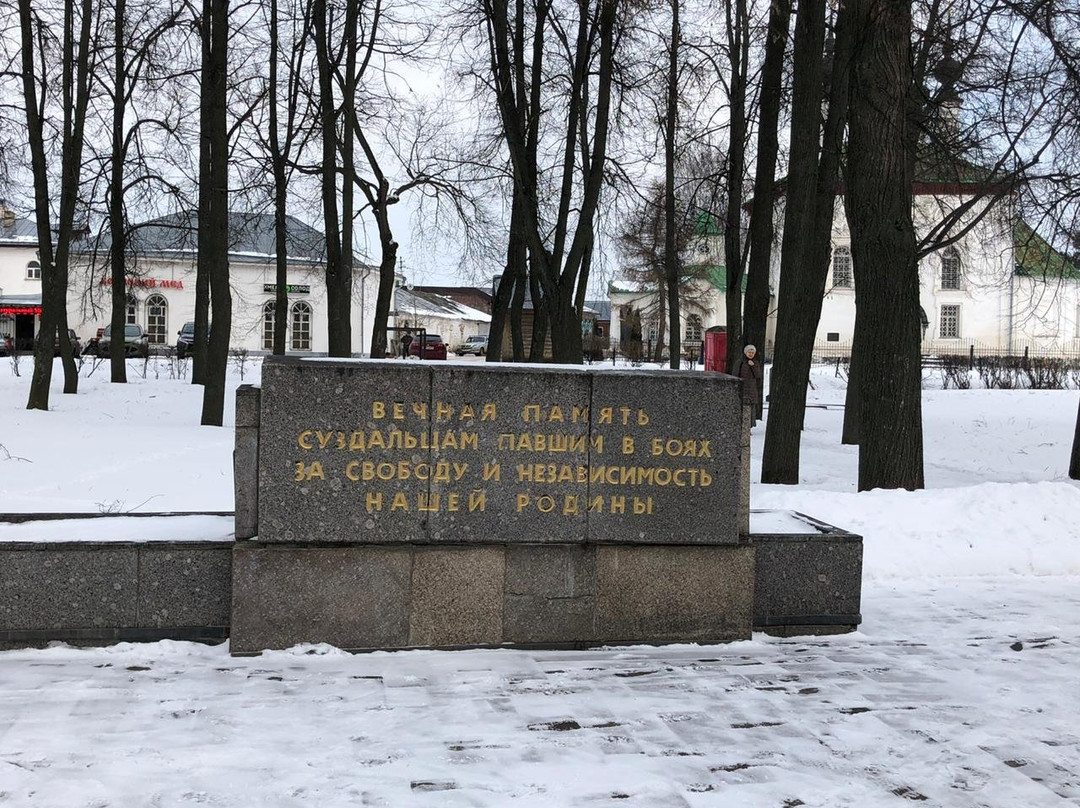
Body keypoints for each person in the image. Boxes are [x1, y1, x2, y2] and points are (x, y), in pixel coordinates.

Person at [736, 344, 763, 425]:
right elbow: (736, 374)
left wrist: (753, 366)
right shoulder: (740, 362)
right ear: (745, 353)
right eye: (749, 352)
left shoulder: (755, 363)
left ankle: (749, 426)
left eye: (752, 352)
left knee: (751, 409)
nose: (751, 354)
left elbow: (758, 375)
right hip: (742, 388)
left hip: (752, 389)